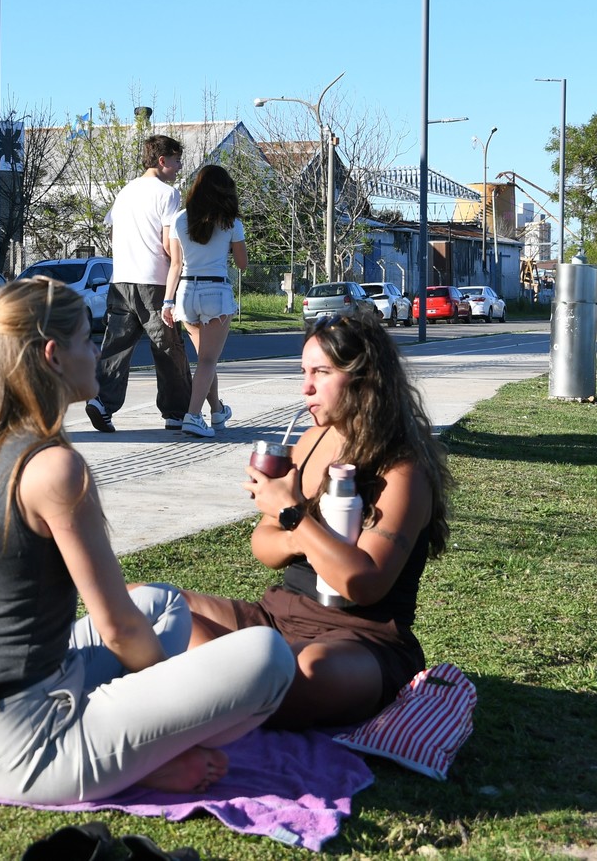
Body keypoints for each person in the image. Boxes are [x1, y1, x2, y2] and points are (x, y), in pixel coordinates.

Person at [0, 278, 294, 804]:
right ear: (53, 356)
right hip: (28, 744)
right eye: (87, 339)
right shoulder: (53, 468)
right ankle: (146, 759)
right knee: (269, 658)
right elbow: (117, 628)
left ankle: (131, 748)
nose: (97, 350)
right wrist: (169, 700)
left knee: (163, 606)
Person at [181, 312, 452, 729]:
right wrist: (290, 530)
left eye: (321, 372)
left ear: (364, 379)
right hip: (278, 617)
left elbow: (363, 583)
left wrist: (293, 516)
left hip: (360, 641)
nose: (305, 387)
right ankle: (230, 674)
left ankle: (211, 673)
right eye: (304, 371)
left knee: (309, 674)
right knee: (142, 603)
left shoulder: (402, 470)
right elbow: (265, 547)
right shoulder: (311, 441)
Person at [85, 134, 194, 433]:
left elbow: (113, 233)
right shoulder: (167, 194)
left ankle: (102, 403)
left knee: (115, 347)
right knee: (168, 347)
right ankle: (176, 412)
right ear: (162, 160)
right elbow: (168, 244)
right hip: (154, 282)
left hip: (120, 280)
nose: (179, 166)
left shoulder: (125, 191)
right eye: (176, 160)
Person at [160, 164, 247, 439]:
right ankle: (193, 416)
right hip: (216, 292)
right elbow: (243, 264)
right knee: (208, 361)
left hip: (185, 292)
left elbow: (175, 265)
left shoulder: (180, 220)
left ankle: (218, 410)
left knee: (205, 360)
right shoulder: (231, 222)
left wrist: (167, 302)